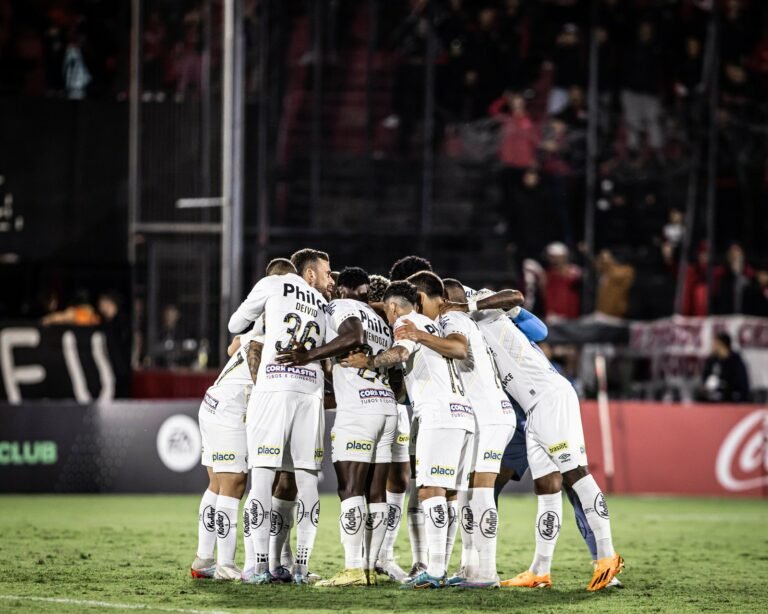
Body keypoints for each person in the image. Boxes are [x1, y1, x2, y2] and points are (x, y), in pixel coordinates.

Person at [446, 289, 624, 591]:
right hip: (531, 408)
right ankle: (540, 571)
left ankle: (607, 558)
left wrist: (468, 304)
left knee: (577, 476)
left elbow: (516, 298)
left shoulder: (481, 306)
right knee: (547, 487)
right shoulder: (461, 326)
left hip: (549, 396)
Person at [342, 281, 475, 590]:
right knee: (450, 494)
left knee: (429, 491)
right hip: (463, 414)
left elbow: (401, 351)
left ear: (392, 307)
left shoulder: (406, 322)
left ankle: (436, 570)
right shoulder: (434, 325)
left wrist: (371, 361)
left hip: (439, 414)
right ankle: (442, 565)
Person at [277, 267, 400, 587]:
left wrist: (309, 356)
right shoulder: (383, 325)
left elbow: (353, 336)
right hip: (387, 406)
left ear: (344, 289)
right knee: (376, 492)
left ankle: (353, 568)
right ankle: (371, 567)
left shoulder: (342, 306)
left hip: (359, 411)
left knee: (350, 489)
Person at [397, 274, 519, 588]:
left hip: (489, 416)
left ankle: (486, 572)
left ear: (422, 299)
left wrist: (418, 336)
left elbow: (458, 349)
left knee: (479, 493)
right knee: (467, 495)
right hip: (486, 415)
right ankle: (470, 568)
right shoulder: (451, 322)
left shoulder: (453, 318)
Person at [228, 248, 332, 585]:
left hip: (274, 386)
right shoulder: (321, 300)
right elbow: (330, 352)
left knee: (262, 475)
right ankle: (300, 566)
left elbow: (235, 324)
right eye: (327, 272)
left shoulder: (273, 284)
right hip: (311, 391)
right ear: (309, 273)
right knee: (306, 479)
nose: (330, 278)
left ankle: (259, 564)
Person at [191, 258, 296, 582]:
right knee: (233, 484)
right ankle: (224, 565)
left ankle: (203, 560)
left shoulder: (260, 326)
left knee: (217, 484)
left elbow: (231, 346)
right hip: (229, 410)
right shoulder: (273, 327)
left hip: (214, 402)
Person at [701, 332, 751, 403]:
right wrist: (707, 385)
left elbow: (741, 383)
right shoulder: (712, 360)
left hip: (730, 396)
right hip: (713, 395)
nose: (713, 346)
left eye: (715, 344)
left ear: (722, 345)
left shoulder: (735, 361)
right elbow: (705, 376)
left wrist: (724, 386)